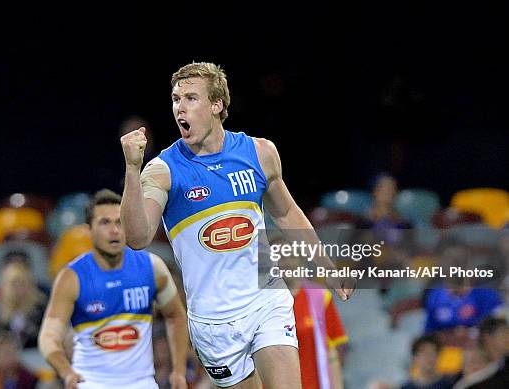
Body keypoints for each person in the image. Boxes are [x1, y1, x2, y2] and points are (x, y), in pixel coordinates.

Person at [120, 62, 355, 388]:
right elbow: (137, 237)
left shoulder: (259, 153)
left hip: (266, 298)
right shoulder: (163, 171)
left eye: (191, 98)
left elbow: (286, 212)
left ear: (217, 105)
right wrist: (133, 170)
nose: (179, 108)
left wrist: (324, 264)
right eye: (176, 99)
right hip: (212, 321)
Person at [38, 189, 188, 389]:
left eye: (119, 222)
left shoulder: (152, 268)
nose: (114, 230)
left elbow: (176, 316)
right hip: (91, 384)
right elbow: (49, 337)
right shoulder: (72, 278)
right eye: (105, 222)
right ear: (89, 230)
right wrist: (66, 372)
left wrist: (178, 371)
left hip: (142, 384)